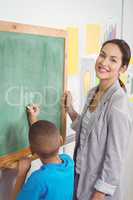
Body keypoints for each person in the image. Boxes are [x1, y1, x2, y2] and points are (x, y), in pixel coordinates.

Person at [64, 39, 133, 200]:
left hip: (98, 191)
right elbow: (86, 129)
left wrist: (100, 193)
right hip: (81, 179)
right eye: (102, 55)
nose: (104, 62)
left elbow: (115, 156)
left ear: (123, 68)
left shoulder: (118, 104)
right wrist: (70, 109)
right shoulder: (93, 92)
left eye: (113, 60)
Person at [12, 116, 74, 200]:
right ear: (61, 140)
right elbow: (45, 139)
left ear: (32, 150)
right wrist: (34, 121)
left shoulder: (38, 179)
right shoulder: (69, 162)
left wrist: (21, 174)